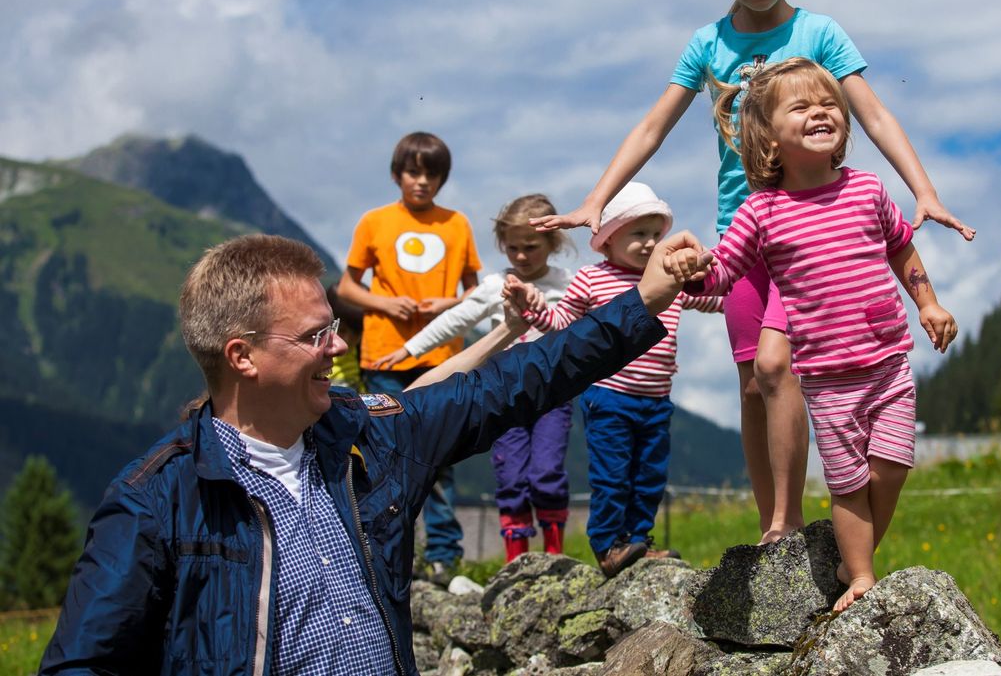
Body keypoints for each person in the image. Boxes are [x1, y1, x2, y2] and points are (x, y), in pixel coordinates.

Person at [533, 0, 974, 546]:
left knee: (780, 367)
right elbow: (654, 124)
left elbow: (874, 114)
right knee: (752, 381)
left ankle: (806, 523)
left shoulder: (819, 33)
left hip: (811, 234)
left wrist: (924, 189)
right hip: (747, 230)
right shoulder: (708, 44)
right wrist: (600, 197)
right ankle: (780, 523)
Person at [39, 232, 696, 674]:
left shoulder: (371, 435)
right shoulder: (156, 497)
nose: (337, 346)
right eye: (315, 334)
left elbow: (518, 380)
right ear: (241, 355)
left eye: (335, 327)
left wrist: (642, 301)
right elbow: (80, 662)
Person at [665, 57, 958, 612]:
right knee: (848, 483)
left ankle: (855, 554)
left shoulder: (868, 190)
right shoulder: (763, 210)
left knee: (891, 467)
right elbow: (725, 271)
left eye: (829, 103)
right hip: (825, 377)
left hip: (888, 358)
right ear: (769, 138)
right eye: (800, 106)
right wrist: (693, 269)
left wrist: (929, 302)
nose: (821, 111)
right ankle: (862, 572)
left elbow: (901, 247)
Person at [512, 183, 722, 578]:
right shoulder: (591, 280)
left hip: (657, 398)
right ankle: (609, 544)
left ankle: (638, 540)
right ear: (608, 241)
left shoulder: (670, 279)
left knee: (649, 475)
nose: (649, 244)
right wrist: (533, 310)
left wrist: (734, 282)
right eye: (637, 234)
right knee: (612, 475)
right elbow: (560, 324)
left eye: (655, 235)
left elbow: (716, 298)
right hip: (608, 395)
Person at [373, 194, 578, 562]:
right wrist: (409, 350)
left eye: (530, 247)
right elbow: (456, 318)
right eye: (512, 248)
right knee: (511, 477)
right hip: (504, 395)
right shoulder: (495, 284)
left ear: (553, 242)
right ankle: (518, 562)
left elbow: (593, 328)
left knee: (547, 472)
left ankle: (554, 557)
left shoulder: (570, 284)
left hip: (553, 396)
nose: (520, 256)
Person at [337, 130, 481, 581]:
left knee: (439, 455)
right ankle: (385, 548)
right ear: (398, 174)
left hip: (442, 354)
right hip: (383, 355)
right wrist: (383, 304)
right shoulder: (374, 222)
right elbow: (345, 287)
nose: (422, 182)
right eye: (413, 172)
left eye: (431, 174)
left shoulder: (457, 224)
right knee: (383, 452)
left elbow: (476, 290)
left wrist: (447, 305)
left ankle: (443, 553)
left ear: (442, 179)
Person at [326, 283, 366, 393]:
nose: (347, 340)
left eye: (356, 333)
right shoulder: (318, 354)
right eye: (342, 330)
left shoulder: (362, 353)